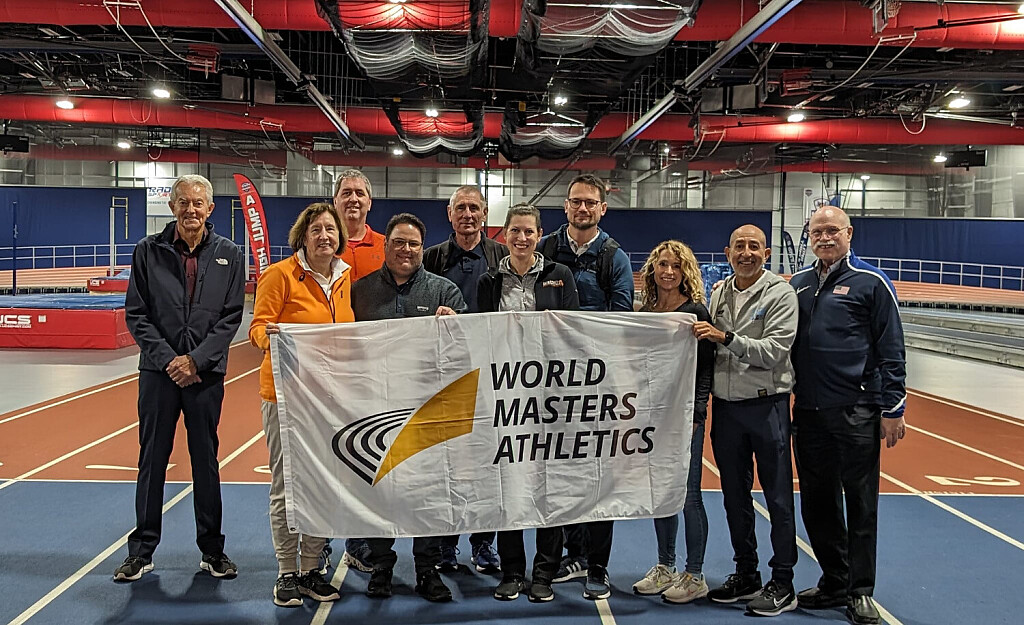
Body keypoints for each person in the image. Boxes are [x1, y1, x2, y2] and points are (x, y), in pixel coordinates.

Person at [115, 174, 244, 582]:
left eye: (198, 203)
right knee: (152, 459)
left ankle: (212, 550)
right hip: (158, 373)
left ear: (210, 209)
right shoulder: (147, 251)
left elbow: (231, 318)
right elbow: (137, 313)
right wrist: (171, 360)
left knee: (206, 461)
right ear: (172, 207)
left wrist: (196, 361)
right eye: (183, 202)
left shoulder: (230, 254)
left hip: (205, 376)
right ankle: (142, 551)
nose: (191, 210)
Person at [788, 207, 907, 625]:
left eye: (831, 230)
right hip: (809, 411)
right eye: (816, 231)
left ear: (849, 233)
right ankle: (835, 580)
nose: (824, 237)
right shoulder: (799, 283)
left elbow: (892, 348)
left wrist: (893, 407)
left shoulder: (872, 282)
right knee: (817, 502)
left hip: (856, 411)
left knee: (860, 503)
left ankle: (860, 591)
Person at [350, 212, 467, 603]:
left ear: (422, 248)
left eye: (413, 243)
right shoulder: (360, 292)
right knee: (378, 489)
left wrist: (456, 324)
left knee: (427, 493)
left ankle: (426, 570)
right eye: (398, 242)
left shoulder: (444, 292)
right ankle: (381, 566)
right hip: (375, 410)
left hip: (427, 411)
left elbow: (469, 346)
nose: (405, 249)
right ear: (385, 245)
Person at [692, 225, 800, 617]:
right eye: (739, 246)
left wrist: (726, 338)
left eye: (755, 246)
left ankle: (783, 581)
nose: (747, 252)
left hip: (766, 407)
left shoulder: (780, 294)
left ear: (766, 254)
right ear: (728, 253)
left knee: (778, 498)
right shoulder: (719, 292)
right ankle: (746, 573)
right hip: (727, 411)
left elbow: (774, 351)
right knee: (734, 497)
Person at [249, 203, 353, 607]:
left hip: (329, 401)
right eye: (316, 230)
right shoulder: (280, 275)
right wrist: (269, 338)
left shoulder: (344, 277)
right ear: (303, 237)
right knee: (287, 486)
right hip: (286, 397)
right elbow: (258, 327)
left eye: (331, 229)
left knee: (324, 484)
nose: (324, 236)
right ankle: (286, 572)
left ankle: (311, 569)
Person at [536, 173, 634, 599]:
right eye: (576, 201)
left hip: (595, 386)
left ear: (602, 209)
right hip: (547, 384)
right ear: (566, 206)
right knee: (554, 474)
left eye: (590, 202)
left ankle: (597, 565)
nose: (582, 208)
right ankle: (564, 557)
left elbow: (622, 318)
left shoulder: (614, 257)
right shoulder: (544, 249)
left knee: (597, 476)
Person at [476, 203, 579, 603]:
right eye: (515, 231)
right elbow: (479, 335)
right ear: (504, 235)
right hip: (505, 398)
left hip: (548, 397)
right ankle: (512, 572)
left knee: (547, 486)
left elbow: (572, 332)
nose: (521, 238)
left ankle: (544, 573)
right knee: (509, 485)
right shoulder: (489, 281)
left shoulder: (560, 275)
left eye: (529, 231)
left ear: (539, 235)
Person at [423, 185, 507, 573]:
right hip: (446, 376)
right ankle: (445, 544)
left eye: (474, 207)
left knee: (488, 463)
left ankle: (483, 543)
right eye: (461, 208)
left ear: (485, 213)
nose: (468, 214)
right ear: (450, 213)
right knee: (447, 463)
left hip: (492, 375)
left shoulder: (502, 257)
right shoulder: (431, 258)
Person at [630, 240, 713, 606]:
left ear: (685, 272)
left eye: (676, 266)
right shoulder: (646, 311)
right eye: (662, 265)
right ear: (652, 270)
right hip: (653, 414)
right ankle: (666, 566)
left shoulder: (695, 313)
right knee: (661, 491)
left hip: (685, 416)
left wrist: (697, 414)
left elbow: (704, 370)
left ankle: (694, 574)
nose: (668, 272)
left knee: (689, 493)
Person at [334, 168, 385, 282]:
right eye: (346, 193)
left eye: (360, 193)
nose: (353, 199)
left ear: (369, 203)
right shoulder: (324, 245)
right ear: (335, 201)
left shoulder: (386, 246)